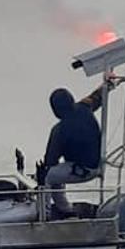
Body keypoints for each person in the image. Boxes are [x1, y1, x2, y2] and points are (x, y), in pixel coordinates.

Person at [42, 87, 102, 218]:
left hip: (83, 170)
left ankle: (44, 214)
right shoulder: (84, 107)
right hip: (97, 165)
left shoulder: (59, 130)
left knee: (46, 176)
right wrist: (108, 84)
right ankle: (65, 208)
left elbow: (50, 161)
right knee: (55, 174)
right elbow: (97, 96)